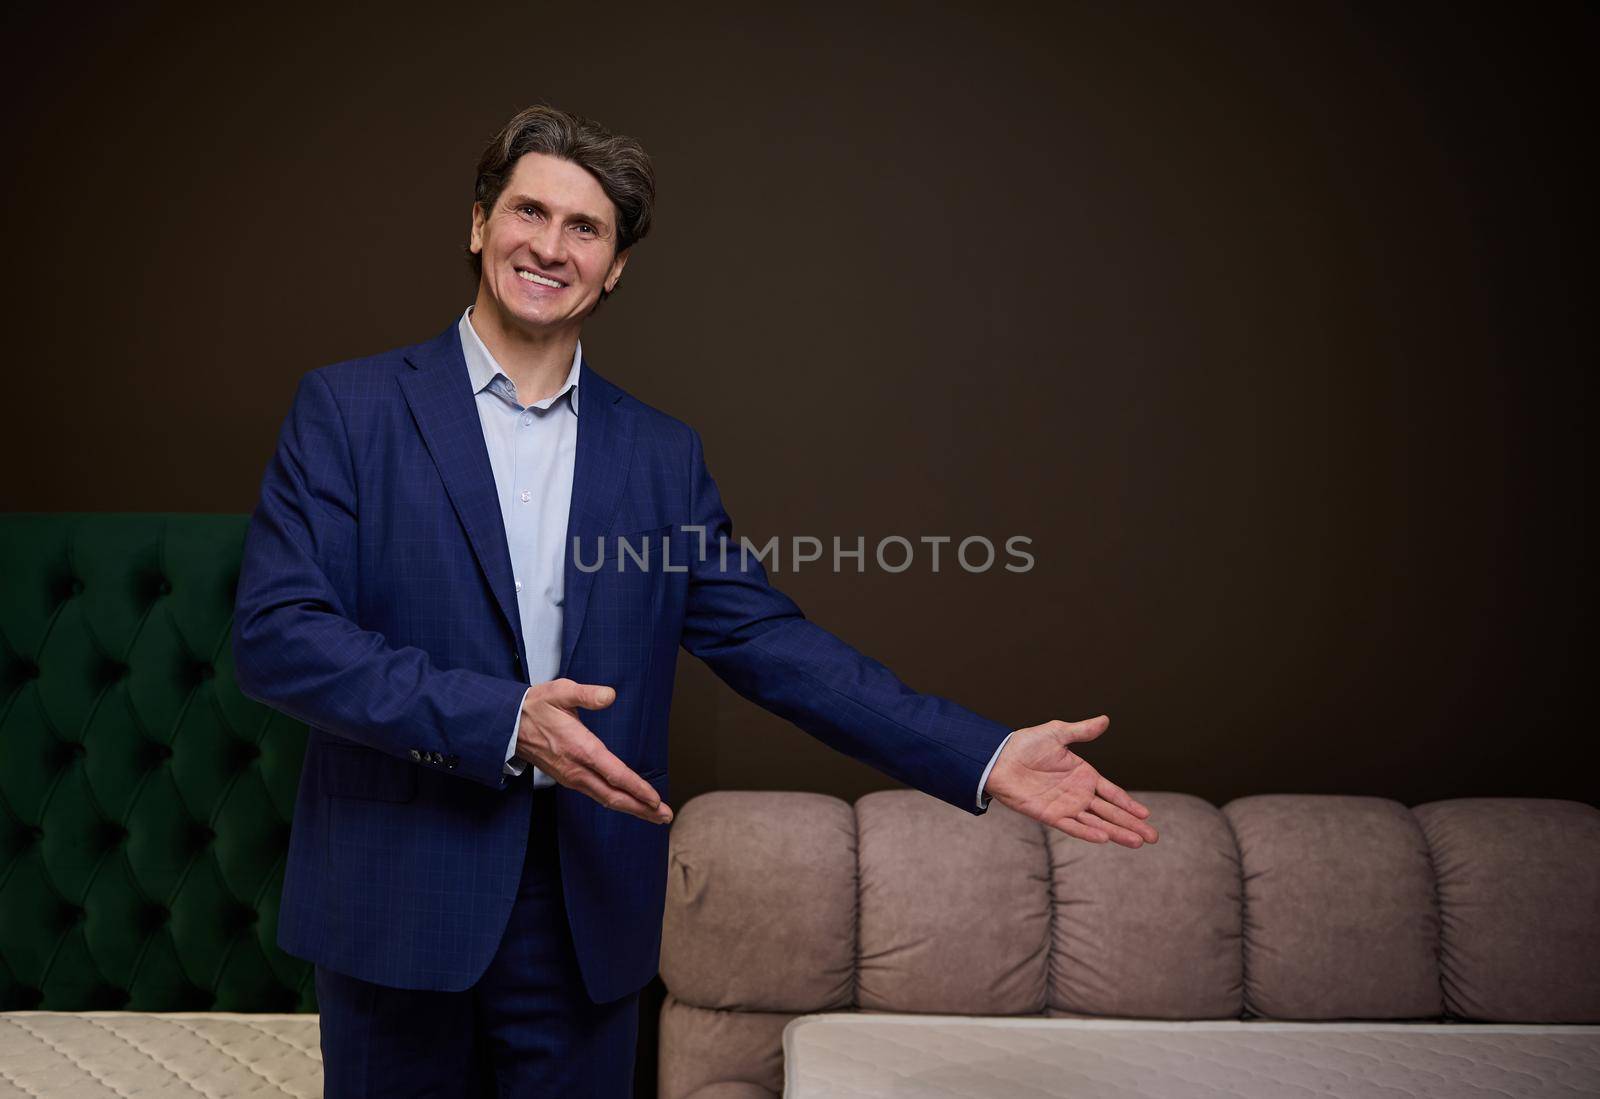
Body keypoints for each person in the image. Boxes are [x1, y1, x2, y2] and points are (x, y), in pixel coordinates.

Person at [232, 102, 1159, 1098]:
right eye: (527, 212)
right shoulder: (349, 409)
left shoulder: (660, 456)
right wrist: (504, 720)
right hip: (395, 901)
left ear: (616, 264)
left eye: (583, 228)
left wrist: (981, 752)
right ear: (478, 225)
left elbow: (768, 641)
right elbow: (280, 636)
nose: (549, 246)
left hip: (585, 912)